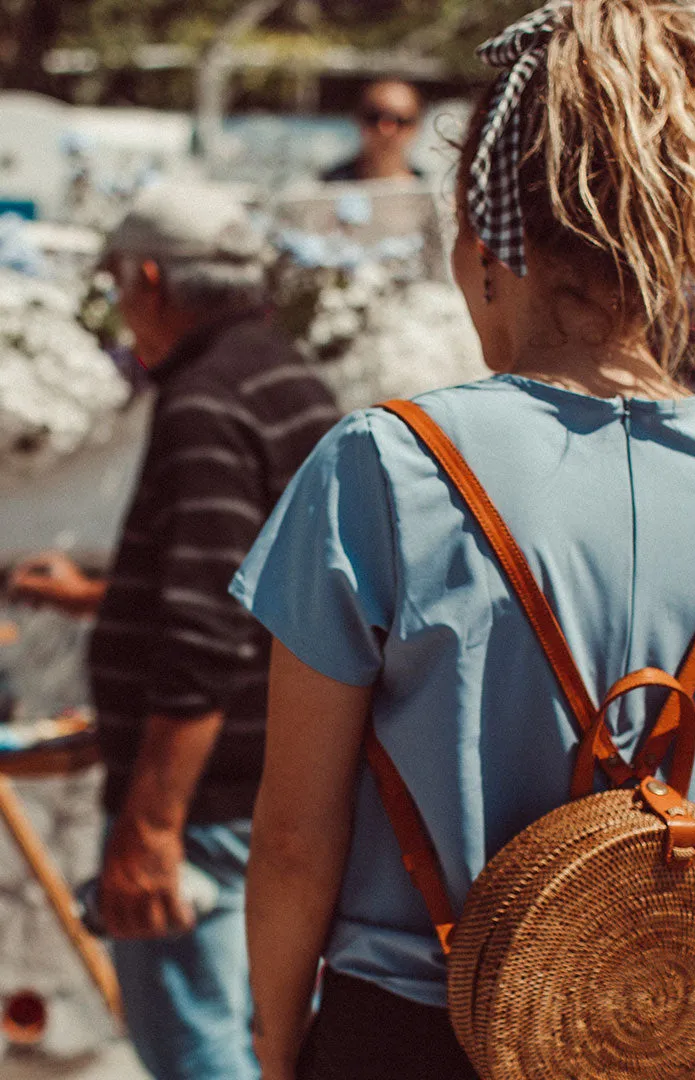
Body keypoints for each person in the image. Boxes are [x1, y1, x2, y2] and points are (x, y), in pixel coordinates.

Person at [232, 4, 695, 1079]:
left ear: (487, 247)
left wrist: (274, 1041)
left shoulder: (386, 466)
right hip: (655, 1033)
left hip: (410, 1030)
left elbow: (296, 842)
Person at [8, 182, 340, 1080]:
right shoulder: (285, 375)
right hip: (277, 783)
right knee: (271, 1042)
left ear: (150, 280)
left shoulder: (205, 399)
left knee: (196, 1050)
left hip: (206, 804)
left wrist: (151, 827)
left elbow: (207, 626)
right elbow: (254, 574)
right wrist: (96, 598)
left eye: (120, 286)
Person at [321, 79, 425, 183]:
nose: (386, 130)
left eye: (401, 120)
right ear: (358, 120)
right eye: (374, 117)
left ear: (417, 126)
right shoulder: (327, 187)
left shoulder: (432, 188)